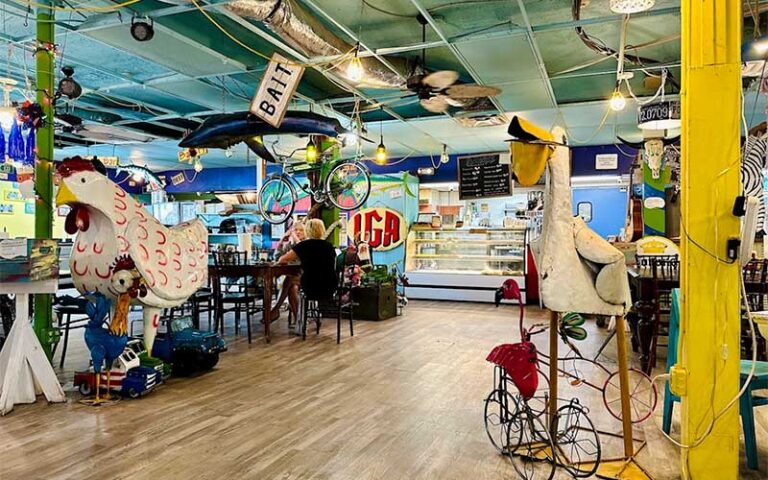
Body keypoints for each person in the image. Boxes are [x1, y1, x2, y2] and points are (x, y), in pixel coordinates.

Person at [278, 219, 338, 323]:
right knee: (292, 287)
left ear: (307, 231)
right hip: (330, 287)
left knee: (289, 280)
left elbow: (282, 259)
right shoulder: (329, 247)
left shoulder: (304, 246)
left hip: (311, 286)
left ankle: (279, 311)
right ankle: (295, 318)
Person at [270, 220, 305, 320]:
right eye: (296, 230)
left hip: (305, 277)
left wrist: (295, 238)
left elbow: (303, 252)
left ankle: (275, 310)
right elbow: (277, 258)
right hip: (294, 277)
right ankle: (299, 320)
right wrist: (281, 240)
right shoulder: (290, 245)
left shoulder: (307, 243)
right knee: (292, 288)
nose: (298, 232)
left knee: (290, 280)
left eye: (301, 230)